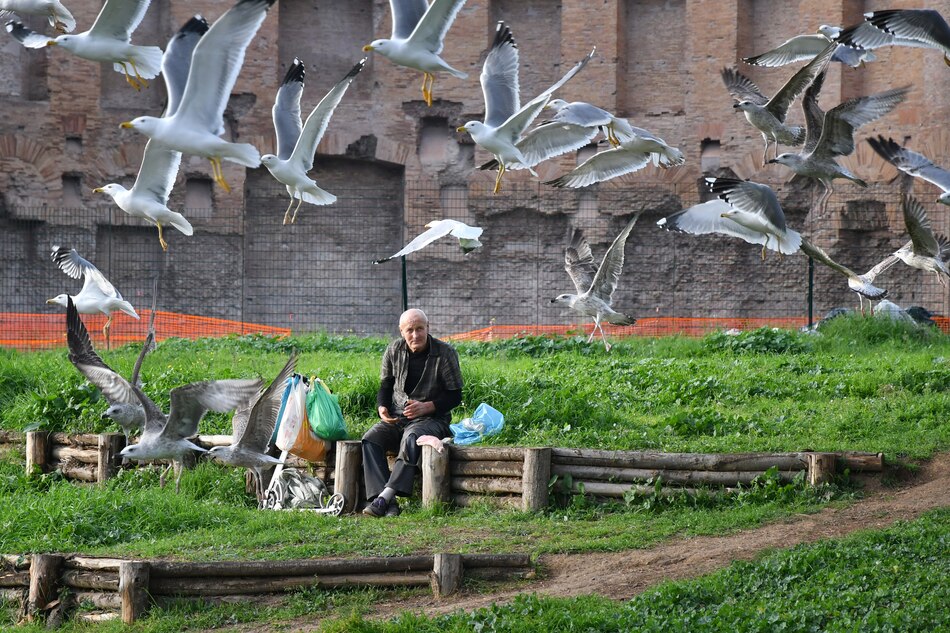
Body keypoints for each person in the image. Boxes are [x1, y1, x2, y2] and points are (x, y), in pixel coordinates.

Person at [361, 308, 463, 517]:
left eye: (419, 329)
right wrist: (382, 407)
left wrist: (429, 406)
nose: (415, 335)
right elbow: (385, 386)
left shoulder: (445, 353)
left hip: (433, 419)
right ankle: (387, 504)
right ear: (401, 331)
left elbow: (455, 396)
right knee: (370, 439)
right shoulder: (393, 350)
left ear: (428, 327)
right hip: (398, 417)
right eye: (410, 330)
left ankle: (385, 497)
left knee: (412, 437)